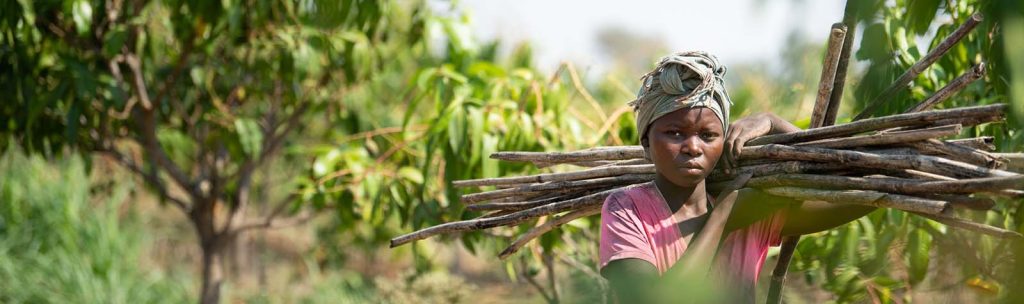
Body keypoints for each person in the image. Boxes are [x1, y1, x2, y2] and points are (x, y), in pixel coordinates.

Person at [598, 51, 875, 303]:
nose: (693, 147)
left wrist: (773, 123)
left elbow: (867, 184)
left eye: (708, 136)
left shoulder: (752, 208)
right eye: (675, 133)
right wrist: (723, 218)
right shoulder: (627, 209)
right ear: (646, 141)